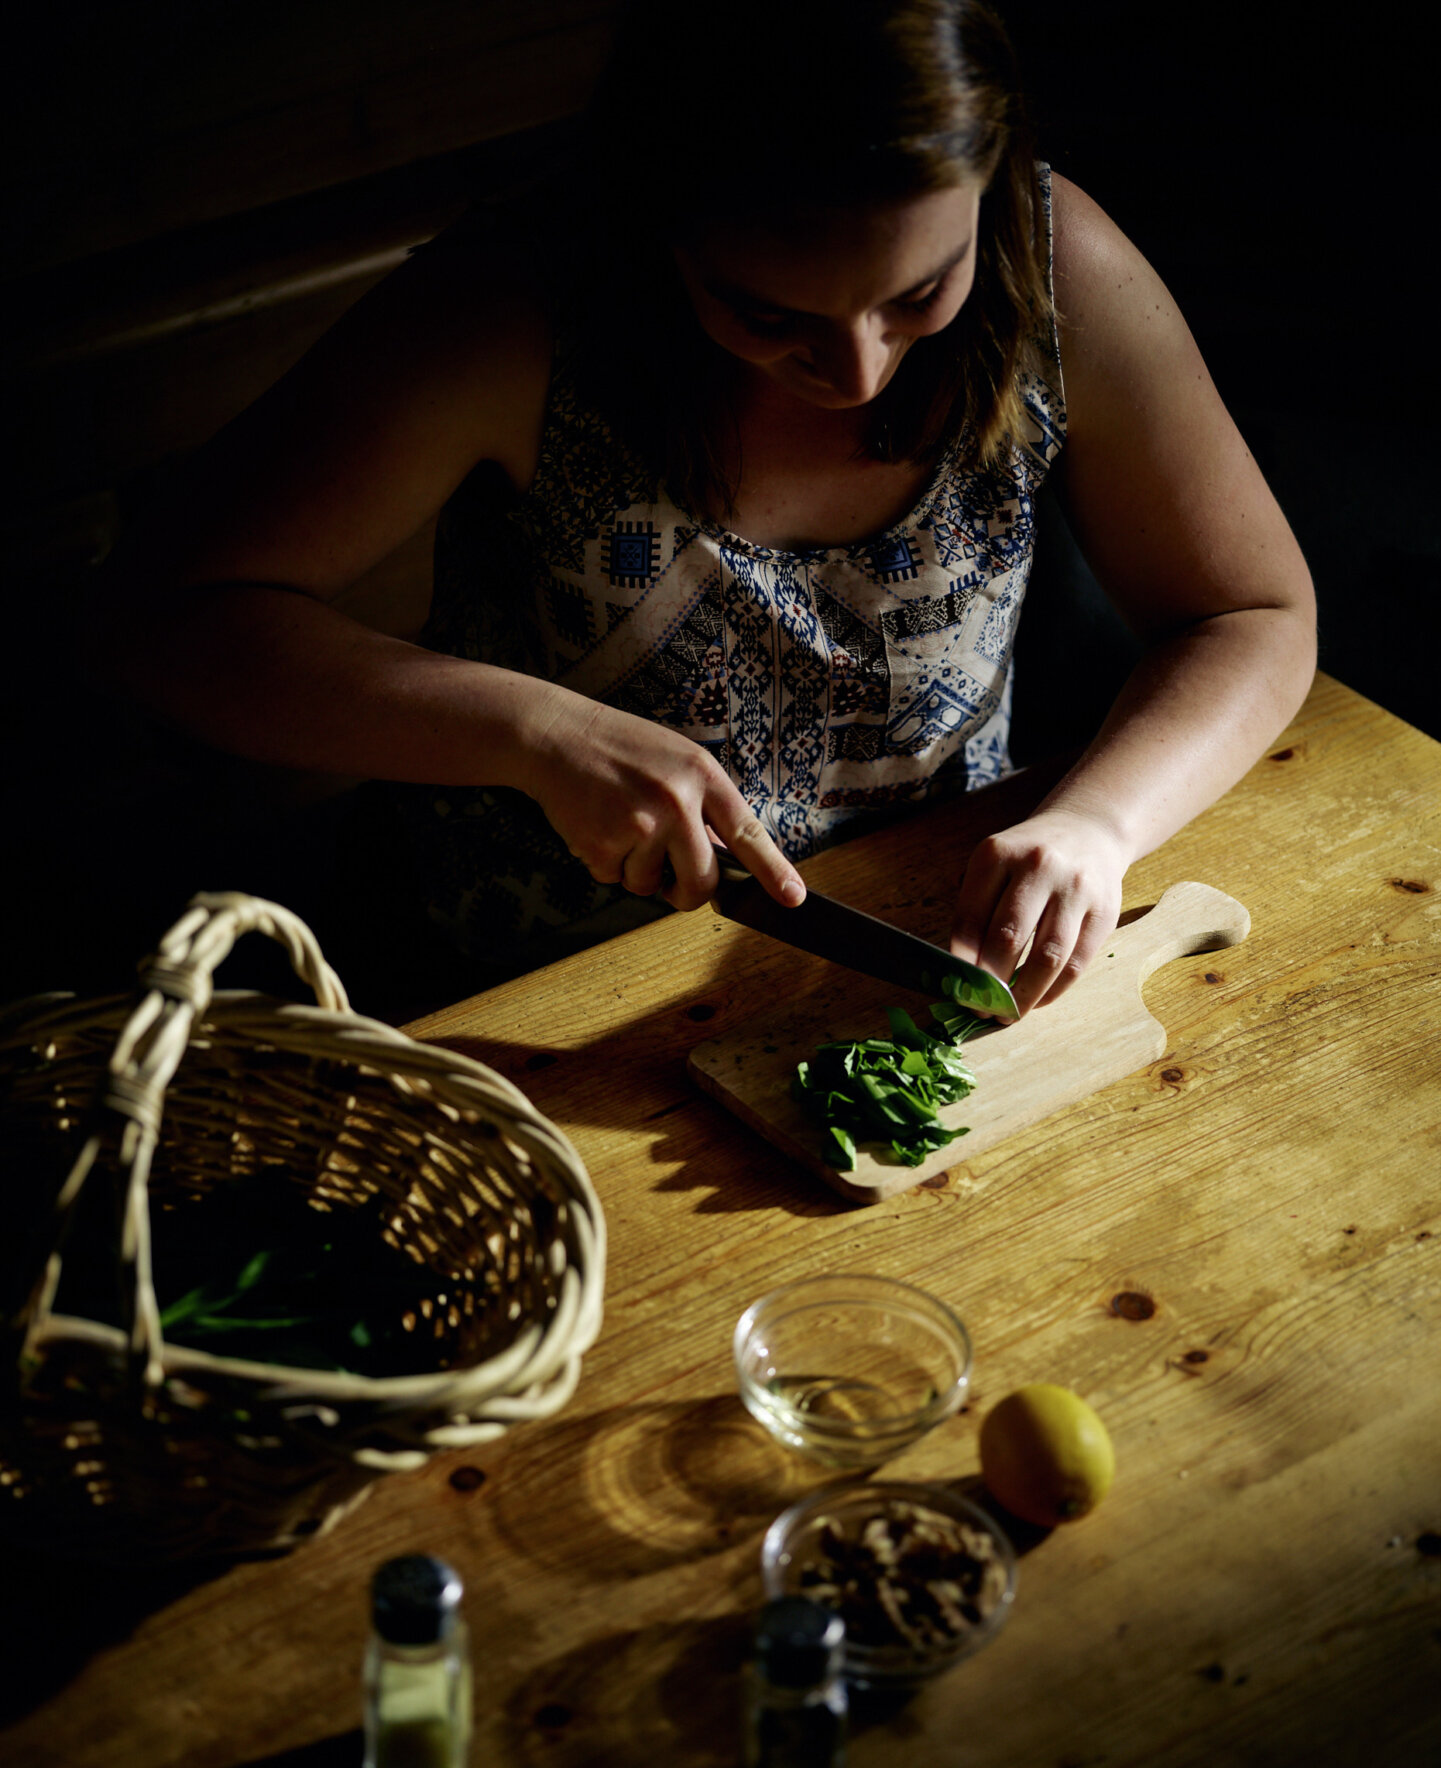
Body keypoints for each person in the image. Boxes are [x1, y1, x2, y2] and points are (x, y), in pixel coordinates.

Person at [104, 0, 1315, 1017]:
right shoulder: (517, 309)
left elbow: (1252, 610)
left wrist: (1101, 823)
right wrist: (528, 734)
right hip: (535, 989)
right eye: (770, 315)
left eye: (917, 290)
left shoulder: (1054, 265)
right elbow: (165, 618)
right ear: (659, 224)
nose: (858, 373)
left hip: (933, 947)